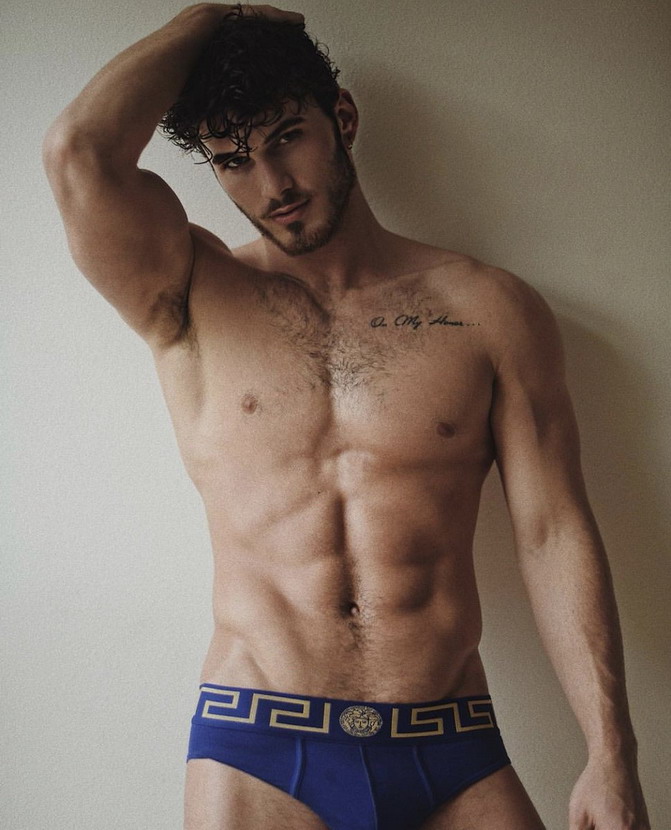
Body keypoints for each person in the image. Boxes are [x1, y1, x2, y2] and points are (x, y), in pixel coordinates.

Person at [43, 4, 651, 829]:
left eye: (287, 137)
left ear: (343, 118)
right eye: (233, 161)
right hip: (257, 748)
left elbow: (551, 531)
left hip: (451, 744)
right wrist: (216, 15)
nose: (273, 186)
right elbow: (78, 151)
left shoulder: (488, 310)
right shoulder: (189, 294)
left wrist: (610, 752)